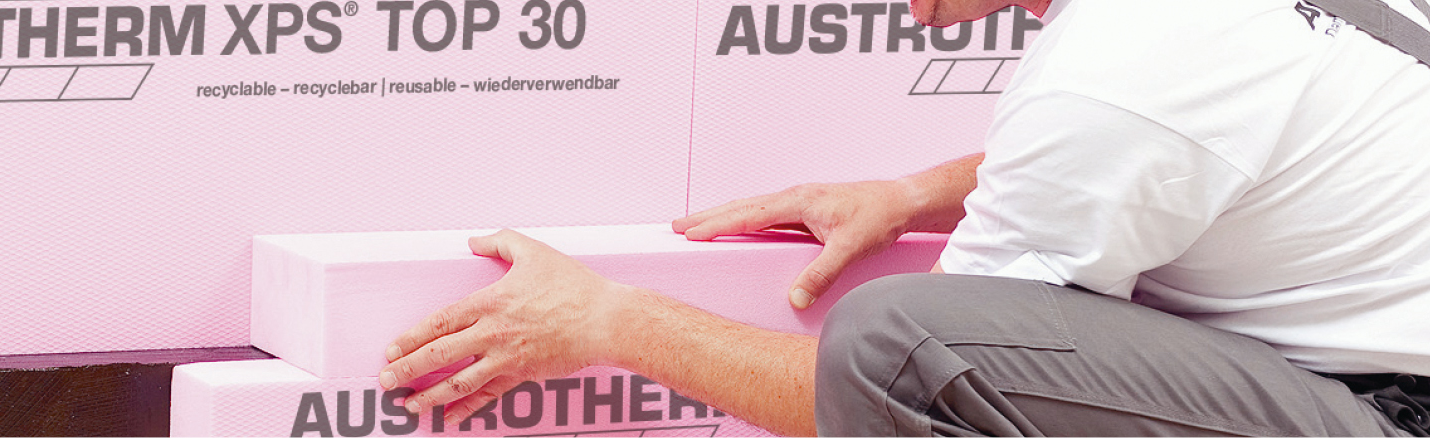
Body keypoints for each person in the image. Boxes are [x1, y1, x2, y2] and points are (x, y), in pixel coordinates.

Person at [375, 0, 1430, 435]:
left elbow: (909, 376)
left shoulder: (1114, 70)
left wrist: (611, 322)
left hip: (1392, 414)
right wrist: (915, 194)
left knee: (895, 332)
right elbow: (1202, 152)